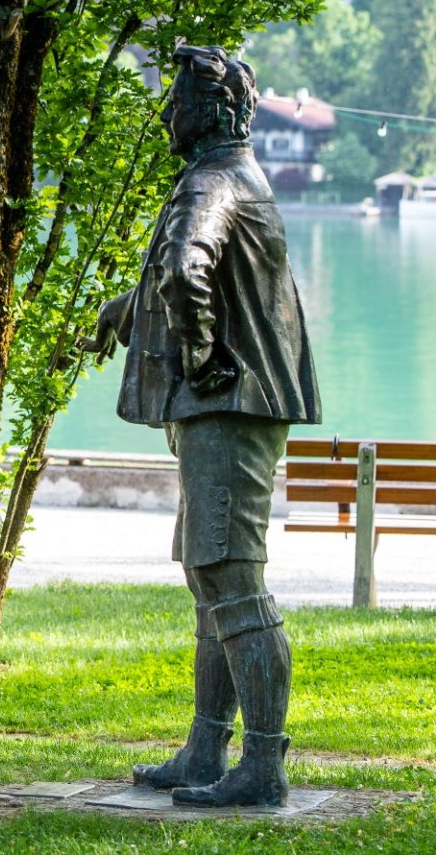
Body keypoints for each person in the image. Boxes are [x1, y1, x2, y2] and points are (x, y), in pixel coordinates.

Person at [91, 45, 319, 808]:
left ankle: (262, 766)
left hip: (229, 404)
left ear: (212, 111)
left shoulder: (212, 181)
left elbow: (186, 270)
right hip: (231, 407)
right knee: (209, 579)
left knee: (232, 580)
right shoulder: (235, 176)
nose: (167, 113)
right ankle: (204, 748)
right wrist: (126, 310)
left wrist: (201, 358)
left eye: (177, 101)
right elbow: (198, 277)